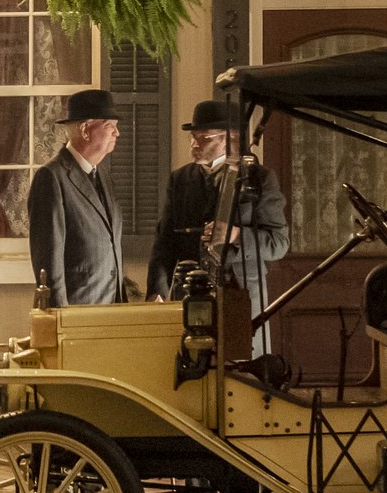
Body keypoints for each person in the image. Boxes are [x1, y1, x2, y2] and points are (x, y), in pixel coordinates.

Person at [147, 100, 289, 351]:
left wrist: (236, 235)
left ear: (229, 138)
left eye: (203, 138)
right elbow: (164, 242)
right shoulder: (180, 179)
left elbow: (279, 244)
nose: (193, 144)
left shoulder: (259, 179)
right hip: (191, 295)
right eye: (192, 137)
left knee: (242, 370)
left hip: (241, 296)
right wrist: (157, 291)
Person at [28, 89, 128, 309]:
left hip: (111, 308)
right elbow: (49, 262)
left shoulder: (103, 175)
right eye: (110, 126)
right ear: (85, 129)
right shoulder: (51, 178)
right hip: (77, 311)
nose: (117, 133)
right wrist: (59, 318)